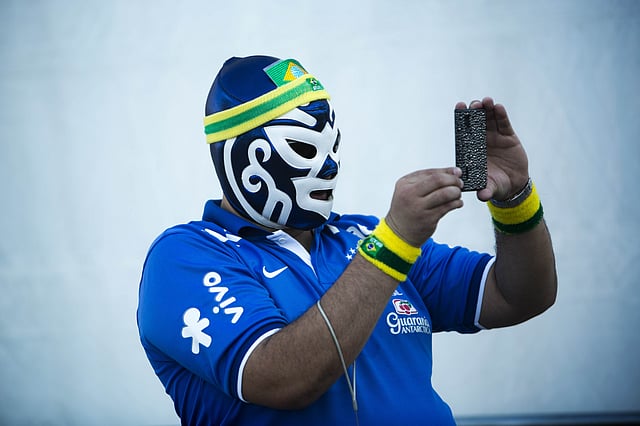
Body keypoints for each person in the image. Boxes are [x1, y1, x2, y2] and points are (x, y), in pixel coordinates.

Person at [137, 55, 557, 426]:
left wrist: (516, 200)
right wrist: (393, 243)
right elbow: (282, 379)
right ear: (243, 154)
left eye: (332, 145)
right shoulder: (184, 257)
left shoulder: (362, 236)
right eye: (304, 147)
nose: (330, 165)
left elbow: (519, 295)